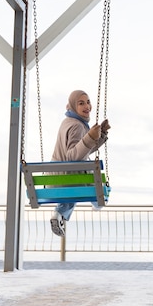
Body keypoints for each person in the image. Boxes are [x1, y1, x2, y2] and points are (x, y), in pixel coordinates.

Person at [50, 90, 110, 237]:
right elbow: (73, 156)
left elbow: (84, 150)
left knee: (74, 187)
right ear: (72, 106)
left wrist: (100, 135)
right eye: (81, 103)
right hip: (68, 178)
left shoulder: (68, 122)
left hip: (55, 178)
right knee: (97, 190)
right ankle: (97, 203)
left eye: (88, 102)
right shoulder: (77, 126)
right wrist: (89, 136)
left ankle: (59, 214)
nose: (87, 106)